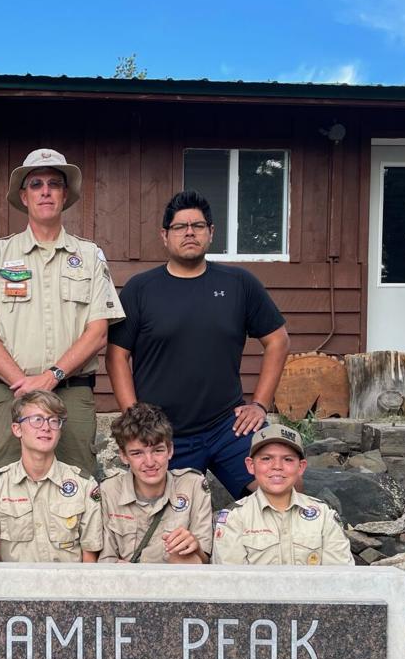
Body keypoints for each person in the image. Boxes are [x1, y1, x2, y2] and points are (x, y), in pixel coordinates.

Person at [106, 189, 290, 499]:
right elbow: (116, 357)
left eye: (198, 226)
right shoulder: (141, 289)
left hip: (227, 428)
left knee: (281, 489)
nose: (189, 232)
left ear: (211, 232)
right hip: (163, 433)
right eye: (180, 227)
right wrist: (135, 420)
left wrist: (259, 403)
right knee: (166, 525)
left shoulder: (239, 284)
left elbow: (278, 341)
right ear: (165, 235)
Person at [0, 148, 124, 479]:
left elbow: (98, 333)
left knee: (78, 487)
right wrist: (23, 385)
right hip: (9, 393)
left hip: (72, 392)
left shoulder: (90, 257)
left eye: (54, 183)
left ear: (65, 195)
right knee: (1, 488)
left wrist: (51, 378)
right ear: (24, 196)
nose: (46, 191)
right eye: (36, 184)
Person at [0, 391, 102, 563]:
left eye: (53, 421)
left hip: (67, 587)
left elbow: (91, 565)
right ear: (17, 429)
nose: (46, 427)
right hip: (16, 587)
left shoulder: (84, 485)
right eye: (37, 419)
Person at [211, 425, 353, 566]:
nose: (277, 466)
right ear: (251, 466)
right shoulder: (234, 519)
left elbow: (340, 578)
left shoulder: (323, 516)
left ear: (301, 467)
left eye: (288, 459)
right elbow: (230, 581)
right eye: (266, 458)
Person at [99, 402, 215, 564]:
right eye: (137, 453)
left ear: (170, 450)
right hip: (127, 585)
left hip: (177, 585)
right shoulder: (109, 491)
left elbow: (204, 561)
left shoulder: (193, 485)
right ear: (124, 456)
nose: (150, 462)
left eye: (158, 450)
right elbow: (105, 562)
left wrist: (194, 547)